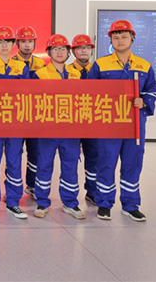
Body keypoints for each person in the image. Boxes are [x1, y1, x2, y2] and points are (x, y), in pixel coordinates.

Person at [89, 20, 156, 222]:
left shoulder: (144, 65)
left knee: (132, 163)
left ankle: (130, 205)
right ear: (110, 40)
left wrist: (144, 102)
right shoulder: (100, 65)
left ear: (132, 38)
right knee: (106, 163)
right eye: (116, 37)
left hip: (134, 124)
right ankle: (104, 204)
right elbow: (89, 93)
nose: (120, 40)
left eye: (124, 37)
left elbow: (152, 91)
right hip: (108, 124)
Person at [31, 35, 85, 220]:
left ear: (69, 52)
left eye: (63, 48)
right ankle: (42, 202)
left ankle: (70, 203)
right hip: (48, 129)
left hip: (70, 129)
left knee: (70, 166)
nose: (60, 52)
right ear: (49, 52)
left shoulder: (76, 74)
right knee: (44, 165)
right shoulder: (39, 74)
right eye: (55, 48)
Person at [0, 26, 30, 220]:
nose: (4, 45)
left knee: (14, 163)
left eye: (7, 42)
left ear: (13, 44)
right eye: (0, 42)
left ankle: (13, 202)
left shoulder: (22, 67)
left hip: (15, 122)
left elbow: (25, 94)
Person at [13, 25, 46, 199]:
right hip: (16, 116)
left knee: (36, 152)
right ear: (17, 43)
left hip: (35, 116)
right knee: (14, 154)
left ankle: (32, 185)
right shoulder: (11, 62)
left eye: (30, 41)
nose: (27, 45)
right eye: (23, 41)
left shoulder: (41, 64)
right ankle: (13, 189)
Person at [70, 34, 98, 203]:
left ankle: (92, 191)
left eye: (87, 48)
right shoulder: (66, 71)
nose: (83, 51)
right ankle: (70, 196)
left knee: (94, 157)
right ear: (73, 51)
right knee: (71, 158)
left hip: (92, 122)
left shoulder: (99, 70)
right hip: (71, 122)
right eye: (79, 48)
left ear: (91, 51)